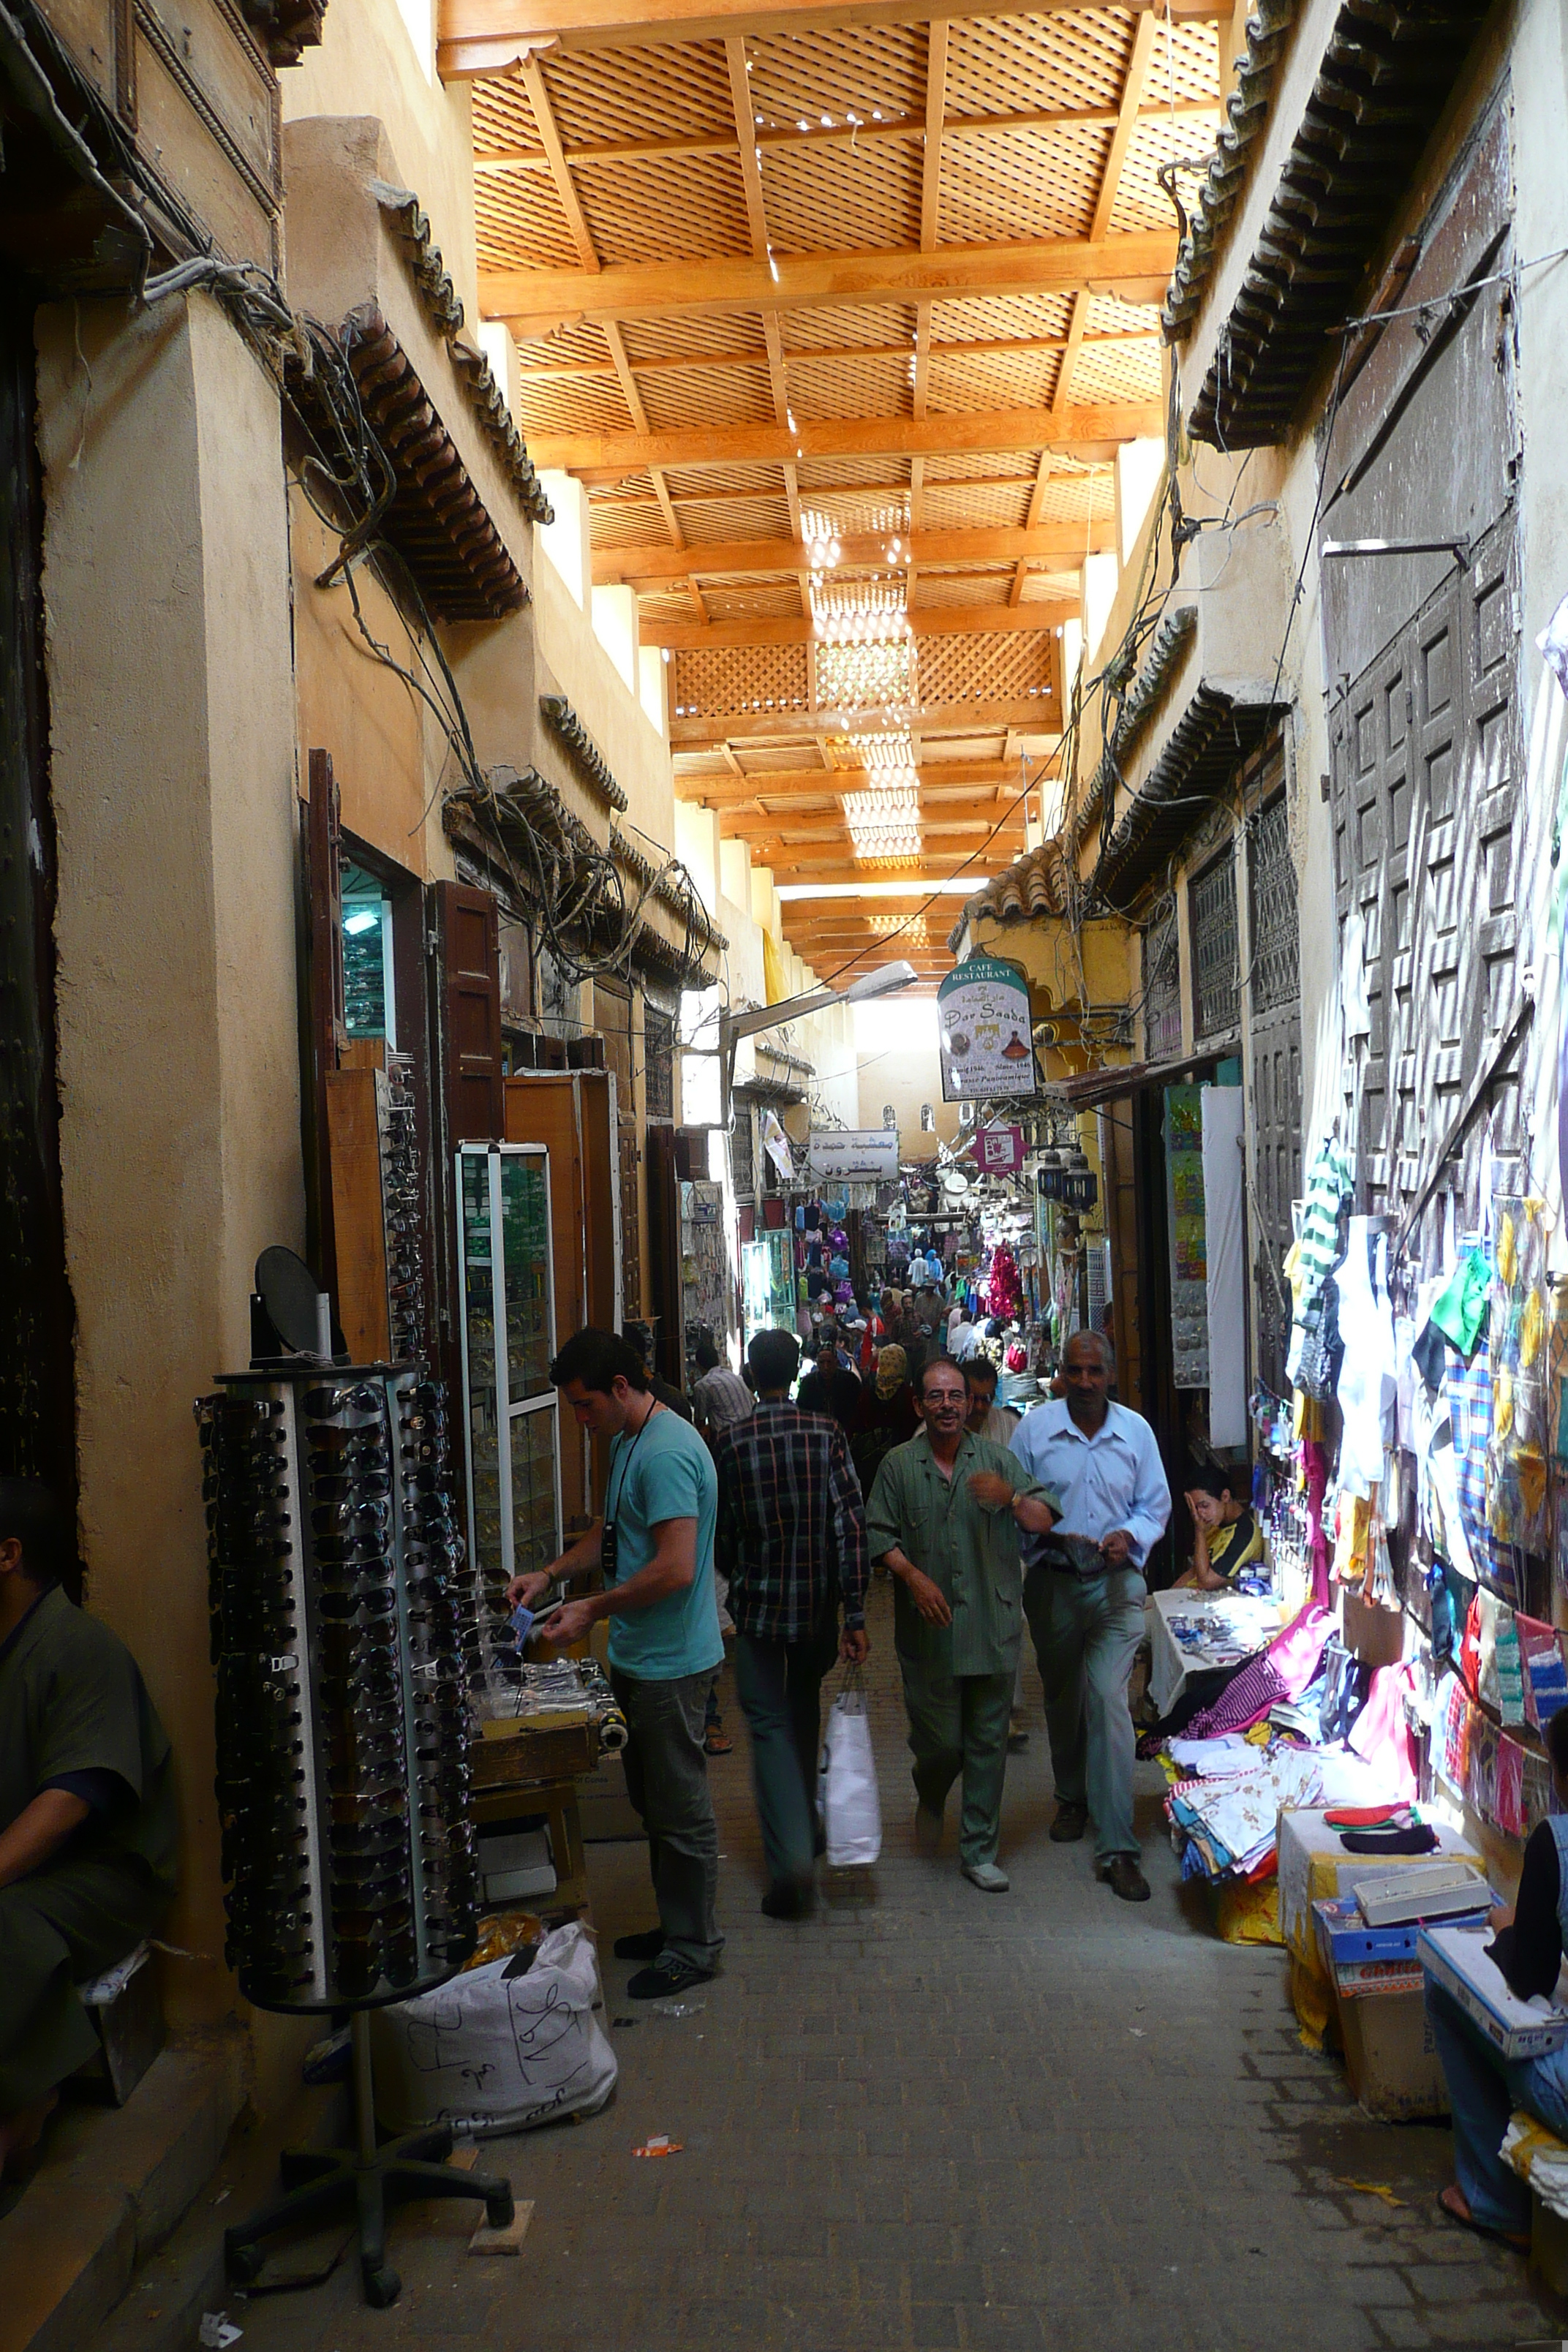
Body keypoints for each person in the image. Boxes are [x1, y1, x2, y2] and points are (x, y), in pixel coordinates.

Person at [507, 1330, 723, 1999]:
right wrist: (549, 1575)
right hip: (641, 1657)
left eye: (583, 1404)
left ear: (621, 1389)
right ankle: (677, 1925)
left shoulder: (665, 1452)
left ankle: (694, 1945)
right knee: (653, 1803)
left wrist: (593, 1610)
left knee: (679, 1808)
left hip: (672, 1664)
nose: (579, 1419)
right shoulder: (630, 1440)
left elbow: (676, 1568)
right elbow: (612, 1533)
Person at [0, 1480, 178, 2174]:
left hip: (105, 1875)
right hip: (33, 1869)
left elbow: (71, 1799)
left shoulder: (77, 1647)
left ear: (8, 1555)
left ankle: (25, 2104)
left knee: (5, 1920)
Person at [866, 1357, 1060, 1893]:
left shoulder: (997, 1460)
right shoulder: (899, 1466)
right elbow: (878, 1535)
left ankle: (979, 1850)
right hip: (929, 1634)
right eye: (937, 1396)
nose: (949, 1405)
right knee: (940, 1744)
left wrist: (1014, 1498)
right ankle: (931, 1790)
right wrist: (912, 1577)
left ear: (971, 1403)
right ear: (919, 1406)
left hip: (992, 1626)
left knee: (987, 1744)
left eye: (957, 1396)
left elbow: (1046, 1517)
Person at [1009, 1329, 1172, 1902]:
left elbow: (1156, 1504)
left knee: (1107, 1700)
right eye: (1074, 1372)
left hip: (1116, 1588)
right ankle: (1071, 1796)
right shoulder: (1034, 1431)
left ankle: (1118, 1846)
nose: (1084, 1382)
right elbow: (1016, 1502)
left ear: (1109, 1375)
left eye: (1094, 1372)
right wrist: (1045, 1534)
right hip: (1054, 1585)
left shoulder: (1136, 1432)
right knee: (1063, 1698)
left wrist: (1130, 1535)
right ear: (1061, 1374)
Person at [713, 1330, 869, 1919]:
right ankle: (808, 1819)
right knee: (801, 1711)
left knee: (769, 1725)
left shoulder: (729, 1441)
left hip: (757, 1611)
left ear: (752, 1378)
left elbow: (722, 1535)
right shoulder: (826, 1433)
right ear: (799, 1370)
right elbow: (849, 1527)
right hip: (816, 1613)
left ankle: (792, 1866)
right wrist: (854, 1611)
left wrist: (742, 1568)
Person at [1428, 1707, 1568, 2248]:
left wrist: (1506, 1928)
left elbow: (1528, 1977)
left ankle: (1494, 2200)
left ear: (1557, 1776)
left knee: (1447, 1986)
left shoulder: (1555, 1842)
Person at [1172, 1462, 1265, 1588]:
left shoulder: (1244, 1533)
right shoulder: (1216, 1524)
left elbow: (1206, 1582)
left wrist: (1199, 1530)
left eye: (1205, 1506)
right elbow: (1194, 1571)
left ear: (1225, 1496)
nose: (1199, 1514)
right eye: (1195, 1508)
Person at [848, 1343, 919, 1499]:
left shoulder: (867, 1395)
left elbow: (854, 1430)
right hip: (904, 1470)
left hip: (870, 1472)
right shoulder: (910, 1397)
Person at [689, 1339, 754, 1441]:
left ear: (698, 1364)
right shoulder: (734, 1376)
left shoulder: (703, 1385)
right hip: (751, 1432)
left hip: (730, 1440)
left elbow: (699, 1423)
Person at [797, 1343, 861, 1431]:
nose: (826, 1367)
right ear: (817, 1363)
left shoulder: (850, 1380)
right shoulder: (808, 1383)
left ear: (836, 1362)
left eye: (829, 1362)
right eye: (822, 1362)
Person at [964, 1359, 1018, 1446]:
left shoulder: (1010, 1424)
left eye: (986, 1399)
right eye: (973, 1399)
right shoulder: (949, 1427)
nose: (979, 1406)